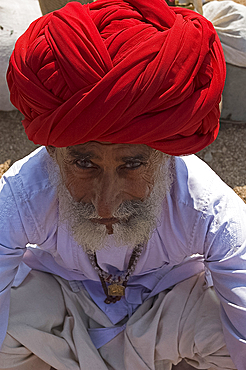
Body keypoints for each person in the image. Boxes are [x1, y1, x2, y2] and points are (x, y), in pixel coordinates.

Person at [0, 0, 245, 369]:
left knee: (223, 336)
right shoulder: (21, 196)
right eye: (85, 163)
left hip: (165, 307)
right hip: (65, 306)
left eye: (132, 164)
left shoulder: (208, 209)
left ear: (165, 156)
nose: (105, 204)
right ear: (52, 152)